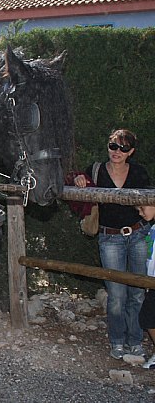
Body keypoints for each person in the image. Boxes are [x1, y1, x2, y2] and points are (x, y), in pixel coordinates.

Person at [73, 129, 151, 360]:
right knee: (116, 295)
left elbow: (148, 202)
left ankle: (135, 341)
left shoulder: (139, 172)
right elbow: (77, 184)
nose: (117, 152)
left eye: (123, 148)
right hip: (110, 238)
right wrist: (79, 180)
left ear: (131, 152)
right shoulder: (95, 171)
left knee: (137, 292)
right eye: (113, 146)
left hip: (137, 235)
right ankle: (117, 341)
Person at [136, 205, 155, 369]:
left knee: (148, 317)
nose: (140, 212)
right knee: (147, 317)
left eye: (142, 208)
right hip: (151, 281)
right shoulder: (151, 228)